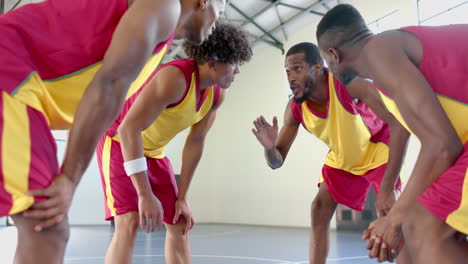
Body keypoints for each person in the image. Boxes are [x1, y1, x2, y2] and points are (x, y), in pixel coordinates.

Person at [0, 0, 226, 263]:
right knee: (46, 226)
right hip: (12, 76)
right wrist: (70, 179)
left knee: (45, 224)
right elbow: (110, 85)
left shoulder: (159, 32)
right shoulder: (165, 7)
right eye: (220, 11)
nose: (218, 20)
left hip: (21, 84)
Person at [317, 4, 468, 263]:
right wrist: (389, 196)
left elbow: (443, 145)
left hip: (459, 147)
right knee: (410, 236)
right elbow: (408, 131)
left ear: (334, 55)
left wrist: (395, 216)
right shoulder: (385, 77)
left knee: (420, 226)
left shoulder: (379, 50)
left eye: (325, 62)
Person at [96, 23, 252, 264]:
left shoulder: (216, 94)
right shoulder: (174, 79)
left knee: (180, 222)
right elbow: (129, 129)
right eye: (234, 63)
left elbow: (196, 141)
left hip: (154, 153)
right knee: (128, 223)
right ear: (211, 63)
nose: (238, 71)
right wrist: (144, 194)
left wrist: (183, 197)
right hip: (120, 142)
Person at [252, 42, 410, 264]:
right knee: (318, 208)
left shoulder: (345, 83)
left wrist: (388, 190)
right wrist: (269, 148)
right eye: (287, 71)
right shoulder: (295, 109)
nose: (290, 77)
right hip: (343, 156)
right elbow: (276, 163)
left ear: (317, 68)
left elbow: (396, 121)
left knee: (390, 212)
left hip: (376, 147)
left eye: (297, 69)